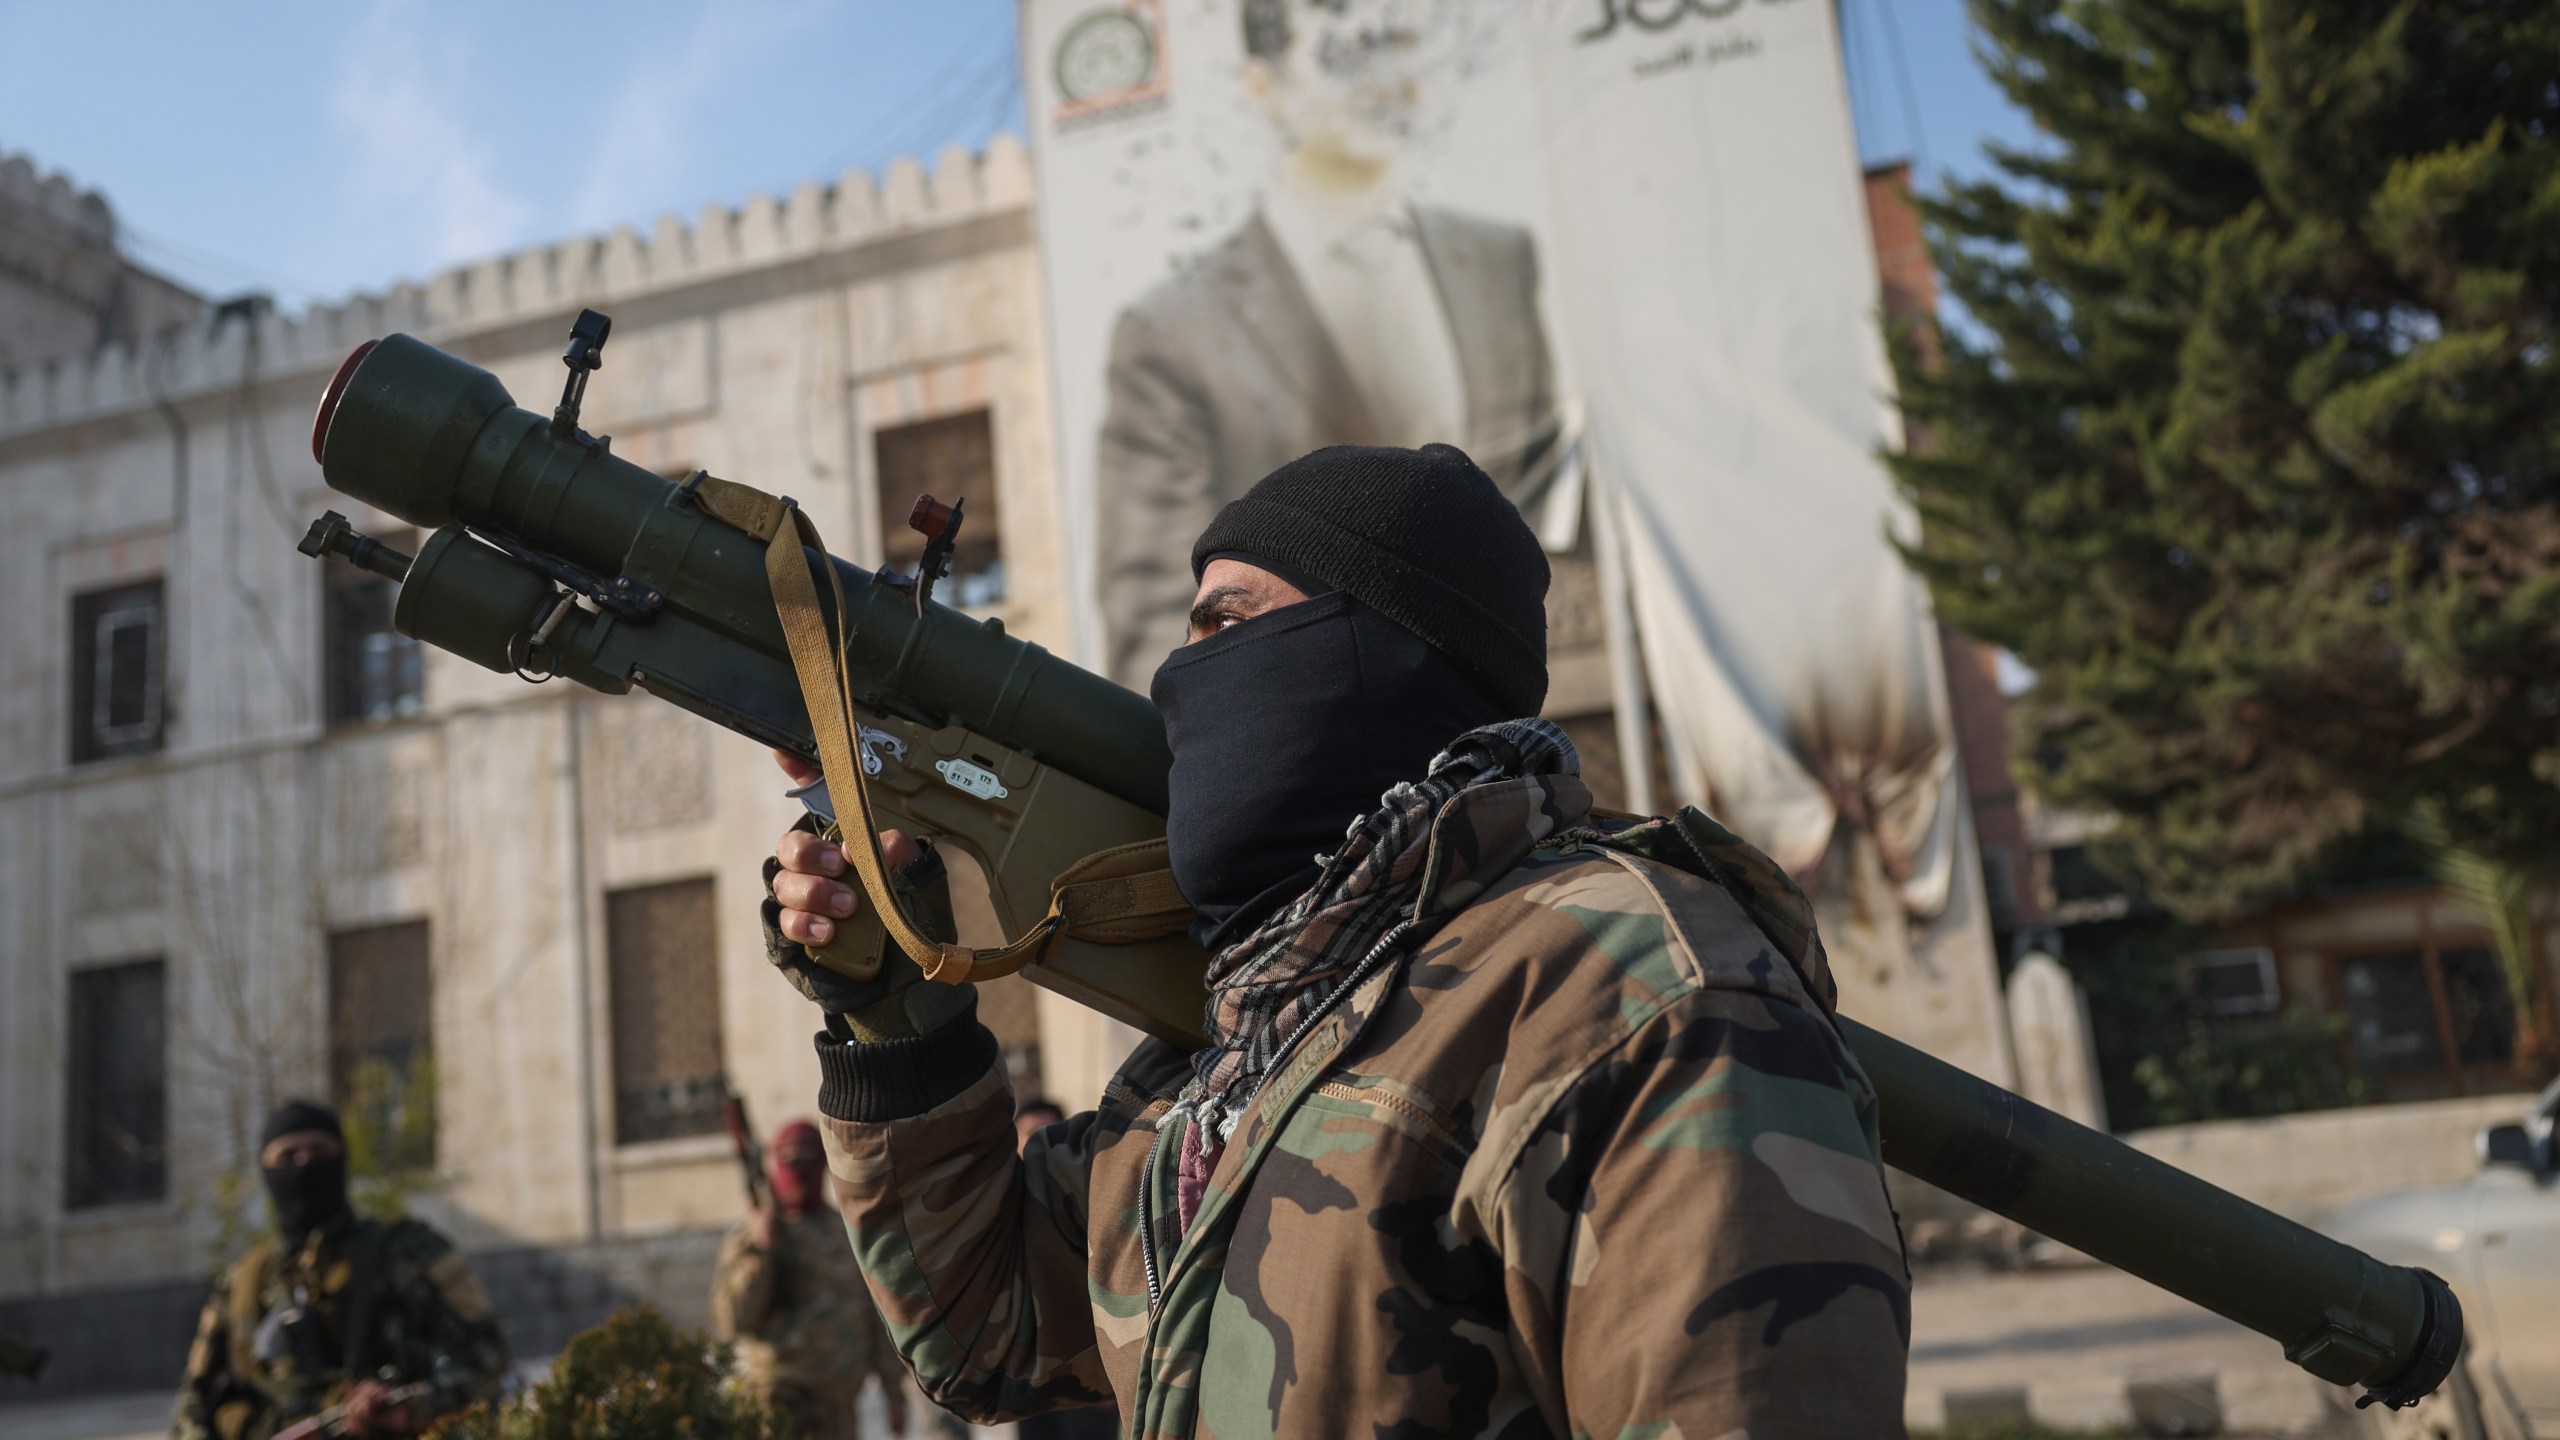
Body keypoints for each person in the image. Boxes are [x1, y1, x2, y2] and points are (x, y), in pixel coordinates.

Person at [763, 444, 1910, 1436]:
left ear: (1386, 650)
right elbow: (990, 1333)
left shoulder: (1637, 1001)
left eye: (1229, 621)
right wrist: (888, 1000)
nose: (1182, 676)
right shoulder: (1233, 1048)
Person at [1094, 0, 1572, 687]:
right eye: (1344, 54)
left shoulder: (1498, 263)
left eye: (1396, 43)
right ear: (1265, 83)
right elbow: (1158, 644)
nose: (1384, 81)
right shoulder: (1171, 333)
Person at [173, 1100, 508, 1440]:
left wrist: (414, 1407)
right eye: (288, 1156)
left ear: (342, 1158)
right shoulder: (241, 1281)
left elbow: (487, 1353)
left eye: (319, 1151)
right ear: (266, 1168)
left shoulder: (405, 1252)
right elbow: (194, 1399)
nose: (305, 1164)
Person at [710, 1119, 908, 1440]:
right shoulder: (752, 1237)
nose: (800, 1169)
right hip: (777, 1403)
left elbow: (877, 1314)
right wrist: (760, 1252)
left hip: (838, 1407)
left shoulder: (848, 1233)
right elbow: (732, 1318)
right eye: (790, 1159)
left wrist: (893, 1394)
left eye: (810, 1158)